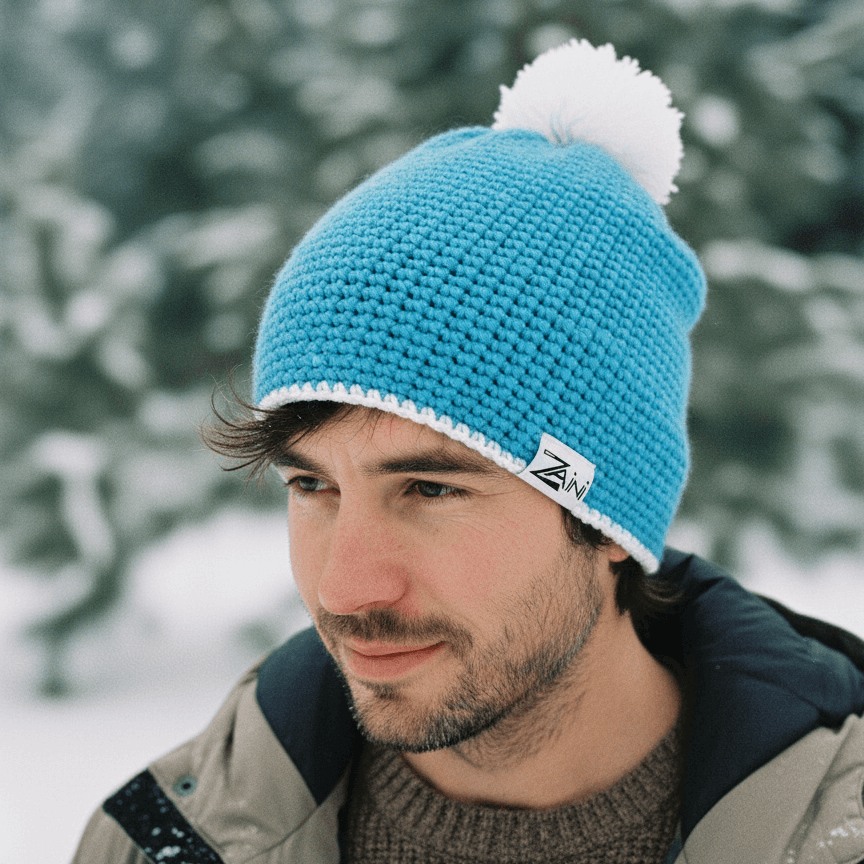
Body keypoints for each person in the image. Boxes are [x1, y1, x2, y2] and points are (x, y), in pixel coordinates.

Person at [72, 40, 864, 864]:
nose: (344, 585)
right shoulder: (165, 842)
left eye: (430, 488)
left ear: (599, 516)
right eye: (311, 484)